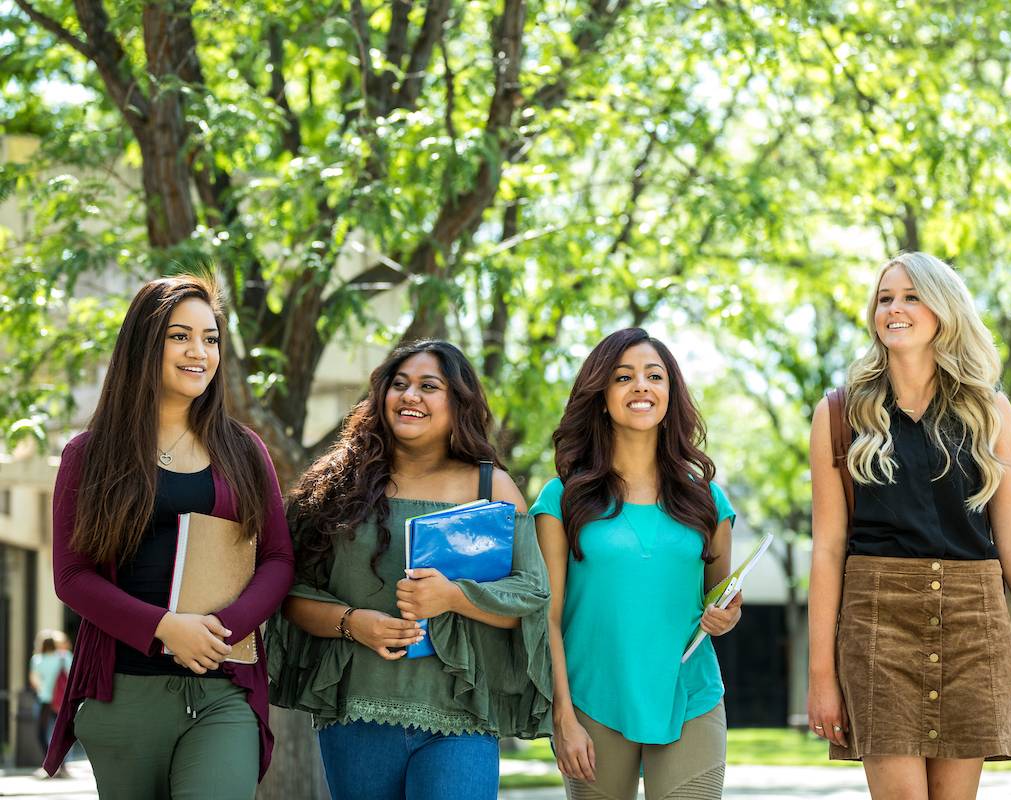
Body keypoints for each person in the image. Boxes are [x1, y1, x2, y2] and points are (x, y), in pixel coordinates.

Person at [807, 252, 1011, 799]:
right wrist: (821, 676)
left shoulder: (989, 412)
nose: (894, 309)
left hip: (974, 622)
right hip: (877, 622)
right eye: (885, 298)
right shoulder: (839, 413)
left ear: (944, 311)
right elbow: (829, 550)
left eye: (911, 296)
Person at [268, 340, 552, 800]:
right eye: (398, 384)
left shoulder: (490, 486)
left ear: (457, 402)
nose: (410, 396)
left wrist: (453, 597)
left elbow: (529, 600)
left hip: (460, 718)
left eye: (428, 386)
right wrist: (352, 624)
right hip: (356, 713)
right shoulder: (338, 485)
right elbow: (293, 594)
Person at [46, 275, 294, 798]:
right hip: (124, 693)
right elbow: (72, 577)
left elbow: (276, 558)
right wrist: (164, 628)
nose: (199, 352)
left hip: (223, 689)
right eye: (180, 336)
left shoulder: (244, 450)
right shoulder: (88, 455)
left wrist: (220, 630)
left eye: (211, 338)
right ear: (145, 343)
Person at [532, 327, 741, 800]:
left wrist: (727, 615)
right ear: (601, 395)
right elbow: (547, 616)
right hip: (592, 701)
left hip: (690, 696)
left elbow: (722, 600)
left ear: (671, 393)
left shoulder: (706, 499)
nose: (641, 386)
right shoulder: (562, 498)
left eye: (654, 376)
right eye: (623, 377)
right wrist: (562, 716)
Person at [28, 631, 72, 764]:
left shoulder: (37, 659)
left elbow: (34, 681)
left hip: (44, 700)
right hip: (61, 701)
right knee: (61, 734)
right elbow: (72, 675)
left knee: (41, 733)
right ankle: (62, 765)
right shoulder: (64, 657)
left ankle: (50, 764)